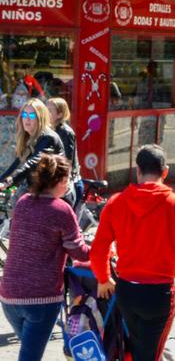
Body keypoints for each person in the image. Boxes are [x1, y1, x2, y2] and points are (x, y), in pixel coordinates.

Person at [90, 144, 175, 361]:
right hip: (159, 295)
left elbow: (99, 247)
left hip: (126, 290)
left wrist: (103, 277)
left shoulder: (115, 203)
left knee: (136, 348)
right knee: (149, 353)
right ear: (165, 172)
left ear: (137, 171)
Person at [0, 154, 90, 361]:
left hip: (9, 295)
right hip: (40, 298)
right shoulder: (61, 210)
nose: (68, 186)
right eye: (67, 180)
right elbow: (78, 251)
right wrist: (103, 251)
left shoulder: (23, 203)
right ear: (58, 181)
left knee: (30, 350)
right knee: (30, 356)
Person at [0, 98, 64, 193]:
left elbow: (34, 162)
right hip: (40, 189)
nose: (27, 119)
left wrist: (10, 181)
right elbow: (18, 163)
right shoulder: (31, 137)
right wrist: (2, 180)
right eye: (24, 115)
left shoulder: (48, 137)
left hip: (55, 192)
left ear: (40, 118)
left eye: (32, 115)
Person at [46, 96, 83, 208]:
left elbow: (66, 162)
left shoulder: (65, 132)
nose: (46, 113)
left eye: (49, 111)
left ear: (60, 115)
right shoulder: (48, 130)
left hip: (66, 183)